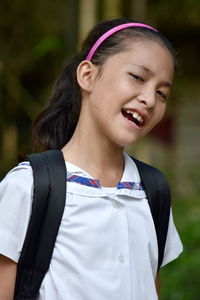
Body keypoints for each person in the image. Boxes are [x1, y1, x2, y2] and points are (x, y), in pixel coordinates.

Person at [0, 18, 183, 299]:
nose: (149, 98)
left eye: (162, 93)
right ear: (87, 75)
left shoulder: (153, 190)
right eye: (137, 77)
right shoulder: (28, 186)